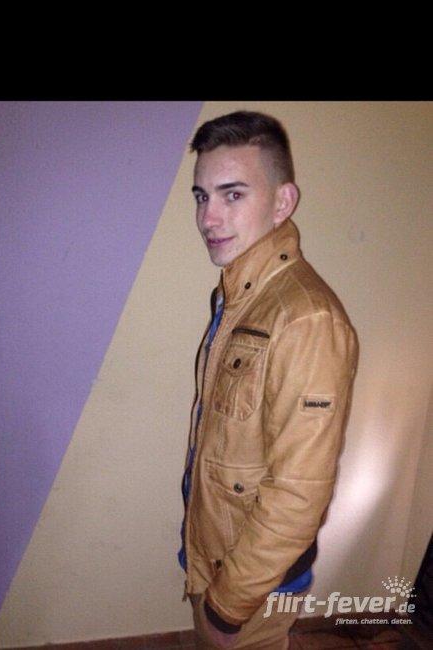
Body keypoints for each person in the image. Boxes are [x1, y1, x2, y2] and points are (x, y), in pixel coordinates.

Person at [178, 111, 358, 649]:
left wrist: (228, 605)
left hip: (253, 589)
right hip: (219, 558)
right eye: (201, 196)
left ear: (283, 202)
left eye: (232, 195)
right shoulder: (239, 296)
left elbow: (299, 492)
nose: (208, 217)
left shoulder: (306, 319)